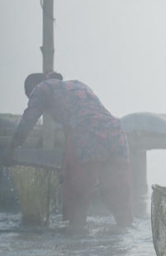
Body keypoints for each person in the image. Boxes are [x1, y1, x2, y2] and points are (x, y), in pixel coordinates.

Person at [1, 72, 133, 233]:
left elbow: (29, 118)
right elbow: (70, 136)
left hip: (87, 134)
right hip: (116, 134)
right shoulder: (77, 85)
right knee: (115, 198)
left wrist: (11, 149)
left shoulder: (41, 88)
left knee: (76, 203)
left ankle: (75, 252)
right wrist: (66, 168)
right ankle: (123, 248)